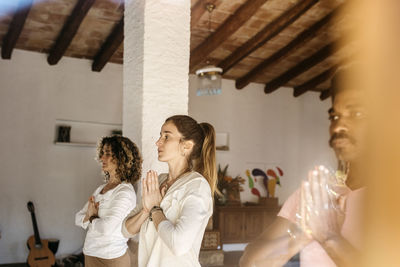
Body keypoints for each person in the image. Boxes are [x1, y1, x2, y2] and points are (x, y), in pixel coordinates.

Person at [239, 67, 367, 267]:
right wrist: (304, 234)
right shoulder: (317, 193)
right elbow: (251, 263)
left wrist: (328, 236)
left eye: (357, 113)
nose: (338, 126)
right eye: (334, 116)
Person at [122, 115, 217, 267]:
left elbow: (178, 244)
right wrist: (146, 211)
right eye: (160, 136)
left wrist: (155, 210)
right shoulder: (159, 181)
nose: (158, 142)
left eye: (166, 136)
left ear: (186, 146)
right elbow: (126, 231)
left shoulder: (197, 186)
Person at [75, 135, 142, 267]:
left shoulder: (124, 192)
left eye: (108, 154)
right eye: (103, 153)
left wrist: (91, 216)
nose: (102, 158)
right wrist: (90, 218)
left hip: (112, 258)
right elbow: (77, 218)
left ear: (121, 158)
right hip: (90, 253)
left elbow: (107, 228)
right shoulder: (100, 189)